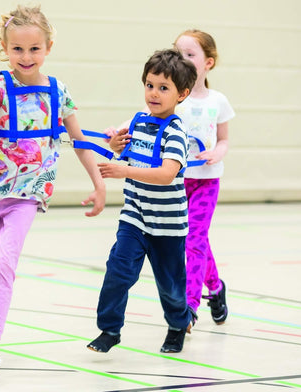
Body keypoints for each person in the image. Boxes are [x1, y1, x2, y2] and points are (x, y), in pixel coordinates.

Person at [0, 5, 105, 374]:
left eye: (34, 49)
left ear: (48, 47)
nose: (26, 57)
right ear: (5, 47)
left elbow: (79, 141)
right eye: (17, 49)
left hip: (30, 192)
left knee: (5, 265)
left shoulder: (59, 91)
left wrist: (98, 182)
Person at [106, 29, 235, 328]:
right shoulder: (171, 95)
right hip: (173, 184)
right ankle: (215, 287)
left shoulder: (218, 101)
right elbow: (139, 120)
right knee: (192, 240)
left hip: (204, 181)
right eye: (179, 53)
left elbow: (225, 140)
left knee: (196, 239)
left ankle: (189, 307)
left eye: (191, 55)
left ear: (209, 63)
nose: (183, 59)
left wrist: (218, 151)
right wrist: (117, 133)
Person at [87, 48, 197, 354]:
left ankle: (178, 323)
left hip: (168, 226)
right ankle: (109, 330)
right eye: (150, 85)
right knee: (118, 272)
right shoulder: (136, 123)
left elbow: (166, 174)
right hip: (134, 217)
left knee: (171, 288)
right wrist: (114, 146)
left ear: (182, 94)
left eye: (164, 88)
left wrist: (123, 170)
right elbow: (123, 157)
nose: (154, 93)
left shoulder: (176, 132)